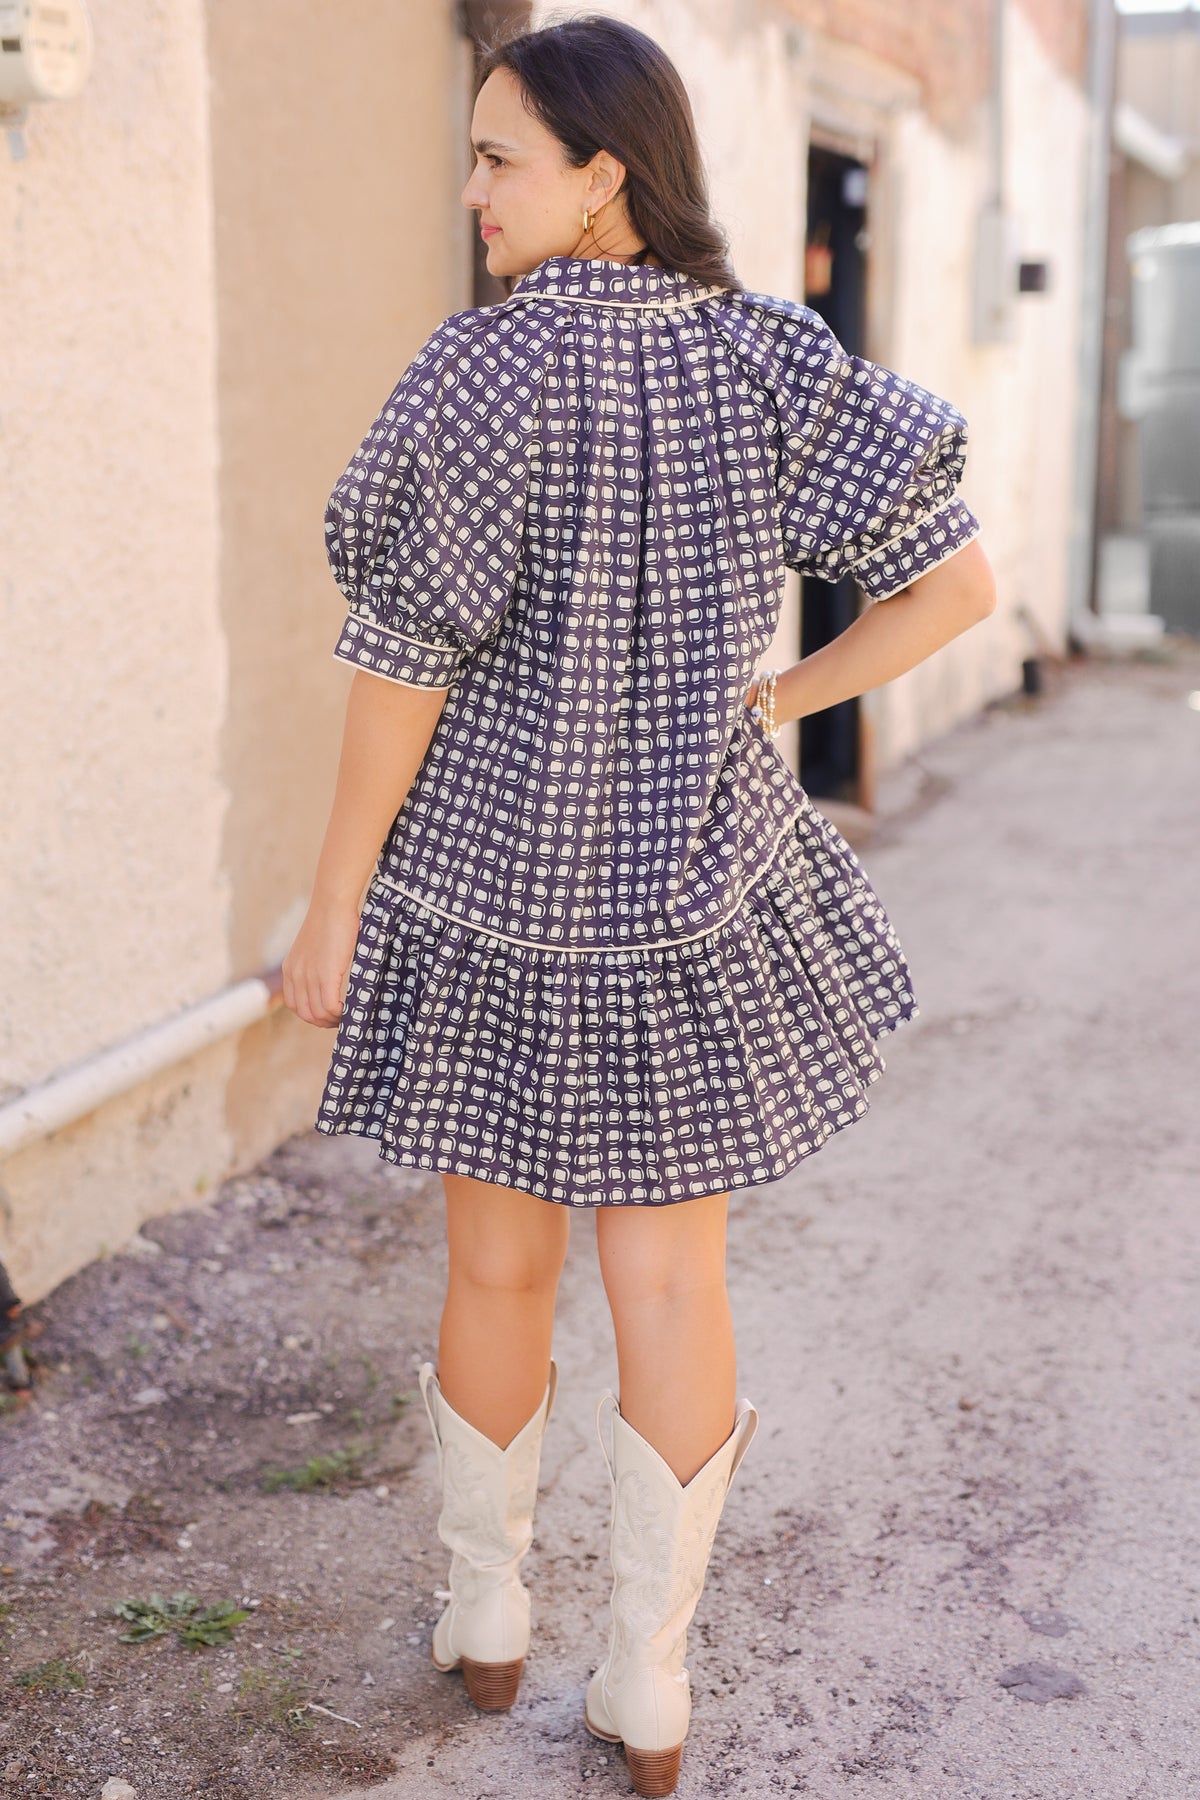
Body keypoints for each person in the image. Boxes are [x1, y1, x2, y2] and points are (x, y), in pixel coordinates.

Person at [282, 15, 996, 1797]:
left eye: (499, 157)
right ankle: (650, 1686)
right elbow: (958, 587)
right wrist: (782, 702)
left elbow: (401, 664)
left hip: (492, 896)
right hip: (692, 892)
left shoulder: (480, 371)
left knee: (494, 1264)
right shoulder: (770, 359)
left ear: (605, 173)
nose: (474, 190)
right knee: (673, 1280)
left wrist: (332, 903)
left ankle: (487, 1616)